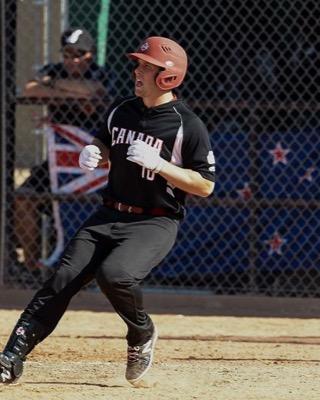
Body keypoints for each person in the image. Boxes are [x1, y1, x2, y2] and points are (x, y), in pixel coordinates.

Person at [0, 36, 216, 385]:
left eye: (146, 67)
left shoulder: (186, 124)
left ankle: (141, 333)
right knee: (61, 280)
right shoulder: (121, 108)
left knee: (115, 275)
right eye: (138, 65)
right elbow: (104, 140)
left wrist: (161, 165)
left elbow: (205, 185)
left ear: (168, 76)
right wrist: (96, 151)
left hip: (153, 221)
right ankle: (11, 357)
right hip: (109, 212)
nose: (137, 72)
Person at [15, 27, 115, 271]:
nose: (73, 60)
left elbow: (93, 91)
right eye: (68, 54)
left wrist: (54, 88)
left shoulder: (102, 73)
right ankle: (32, 267)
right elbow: (29, 90)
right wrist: (68, 91)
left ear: (90, 54)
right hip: (60, 162)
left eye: (79, 54)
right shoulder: (54, 70)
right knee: (23, 197)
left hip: (94, 164)